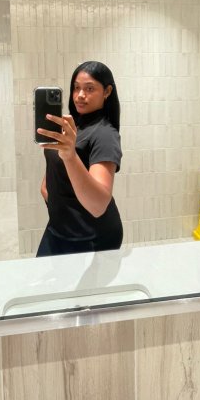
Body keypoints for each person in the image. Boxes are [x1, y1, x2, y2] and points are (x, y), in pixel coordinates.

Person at [36, 61, 123, 257]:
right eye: (76, 88)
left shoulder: (105, 134)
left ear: (107, 91)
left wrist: (70, 156)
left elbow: (99, 204)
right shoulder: (72, 126)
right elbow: (56, 168)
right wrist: (48, 190)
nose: (80, 95)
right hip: (59, 228)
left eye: (89, 88)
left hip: (92, 237)